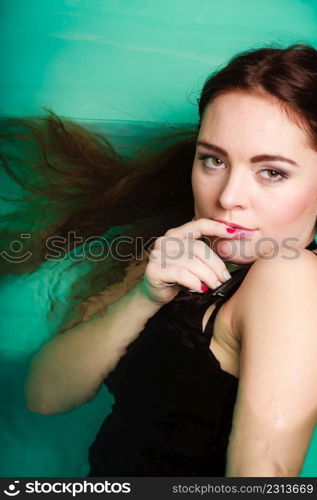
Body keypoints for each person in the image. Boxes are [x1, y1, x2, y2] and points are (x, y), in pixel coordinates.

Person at [4, 43, 317, 477]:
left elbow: (267, 473)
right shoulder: (179, 250)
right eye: (213, 160)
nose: (227, 197)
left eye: (272, 172)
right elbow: (44, 395)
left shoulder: (291, 276)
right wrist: (144, 297)